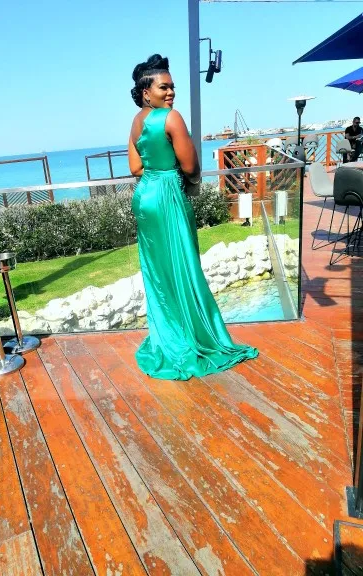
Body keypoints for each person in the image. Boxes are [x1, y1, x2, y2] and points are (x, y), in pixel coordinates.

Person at [128, 54, 258, 380]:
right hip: (169, 197)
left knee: (159, 272)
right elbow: (191, 167)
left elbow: (135, 167)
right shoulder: (170, 118)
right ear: (146, 92)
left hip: (145, 197)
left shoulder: (137, 121)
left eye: (172, 86)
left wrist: (156, 171)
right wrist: (184, 178)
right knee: (184, 264)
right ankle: (192, 336)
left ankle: (168, 334)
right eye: (164, 87)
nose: (171, 92)